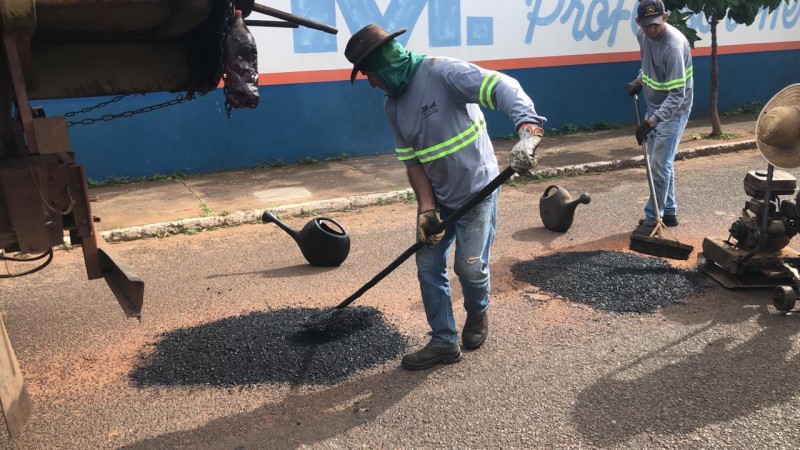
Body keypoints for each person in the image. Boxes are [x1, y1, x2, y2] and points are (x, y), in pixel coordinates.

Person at [345, 24, 546, 370]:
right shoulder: (392, 107)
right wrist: (426, 209)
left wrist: (528, 131)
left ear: (384, 64)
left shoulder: (442, 72)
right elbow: (413, 164)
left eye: (370, 74)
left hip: (478, 192)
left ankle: (478, 313)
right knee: (427, 266)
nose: (372, 83)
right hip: (438, 201)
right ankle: (443, 341)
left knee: (468, 269)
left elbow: (502, 86)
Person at [626, 0, 693, 228]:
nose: (652, 30)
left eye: (656, 24)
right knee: (661, 163)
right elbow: (649, 64)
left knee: (658, 165)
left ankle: (654, 216)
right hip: (654, 106)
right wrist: (640, 79)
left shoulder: (673, 46)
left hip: (674, 110)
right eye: (647, 25)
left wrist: (651, 122)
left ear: (665, 17)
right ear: (638, 23)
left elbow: (677, 95)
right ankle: (670, 211)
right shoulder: (642, 35)